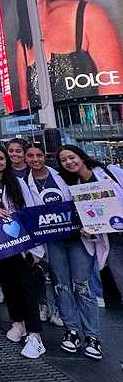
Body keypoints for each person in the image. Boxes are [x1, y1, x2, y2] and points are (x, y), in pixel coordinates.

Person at [0, 145, 45, 359]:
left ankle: (35, 335)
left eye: (0, 158)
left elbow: (29, 210)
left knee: (26, 285)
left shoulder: (18, 182)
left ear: (6, 161)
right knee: (8, 284)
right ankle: (18, 322)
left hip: (19, 241)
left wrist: (35, 246)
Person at [25, 144, 98, 354]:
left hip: (77, 238)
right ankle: (72, 330)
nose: (35, 159)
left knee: (83, 285)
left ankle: (92, 336)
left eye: (39, 155)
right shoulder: (24, 183)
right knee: (61, 286)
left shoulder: (65, 177)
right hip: (53, 241)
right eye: (30, 156)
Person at [56, 144, 123, 356]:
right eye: (64, 160)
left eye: (71, 157)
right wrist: (87, 228)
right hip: (112, 243)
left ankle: (92, 335)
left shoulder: (112, 173)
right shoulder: (73, 187)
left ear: (81, 156)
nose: (69, 162)